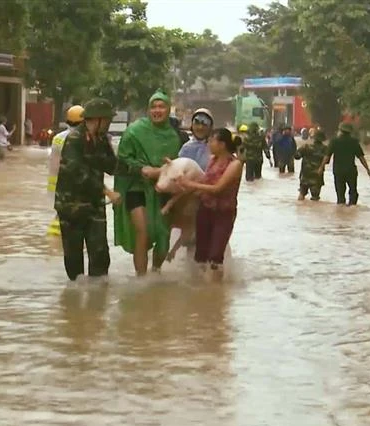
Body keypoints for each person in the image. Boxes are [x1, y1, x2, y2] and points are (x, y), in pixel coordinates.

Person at [114, 89, 182, 275]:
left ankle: (156, 273)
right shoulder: (134, 131)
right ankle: (141, 280)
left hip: (161, 190)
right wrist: (142, 169)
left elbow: (179, 167)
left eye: (161, 106)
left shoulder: (174, 138)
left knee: (163, 237)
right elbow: (122, 159)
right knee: (142, 231)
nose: (157, 111)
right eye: (153, 107)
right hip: (135, 188)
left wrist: (163, 173)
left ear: (168, 110)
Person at [54, 98, 119, 282]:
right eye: (107, 120)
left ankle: (97, 303)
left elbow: (112, 167)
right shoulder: (74, 139)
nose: (109, 123)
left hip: (94, 205)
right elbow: (78, 174)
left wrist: (140, 170)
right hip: (71, 206)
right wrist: (108, 192)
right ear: (97, 119)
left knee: (100, 255)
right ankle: (74, 303)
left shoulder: (101, 139)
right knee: (74, 259)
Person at [177, 128, 243, 282]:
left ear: (222, 144)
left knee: (215, 256)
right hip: (205, 210)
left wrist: (190, 184)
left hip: (223, 213)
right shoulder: (212, 160)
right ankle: (201, 290)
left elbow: (217, 188)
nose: (209, 144)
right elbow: (205, 182)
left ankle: (216, 294)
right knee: (201, 254)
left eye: (212, 140)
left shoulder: (235, 164)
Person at [47, 105, 85, 236]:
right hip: (73, 187)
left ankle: (52, 243)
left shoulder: (58, 138)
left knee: (60, 219)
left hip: (57, 186)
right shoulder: (81, 138)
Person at [319, 122, 370, 205]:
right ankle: (352, 208)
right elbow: (361, 157)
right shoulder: (354, 142)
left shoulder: (334, 141)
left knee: (340, 193)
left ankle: (341, 211)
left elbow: (327, 156)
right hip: (351, 170)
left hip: (338, 171)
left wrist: (321, 167)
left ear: (340, 130)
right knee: (353, 191)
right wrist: (368, 170)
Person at [295, 129, 327, 201]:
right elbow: (327, 161)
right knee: (315, 197)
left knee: (302, 194)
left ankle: (300, 210)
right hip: (317, 175)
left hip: (305, 174)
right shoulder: (325, 149)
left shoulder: (306, 146)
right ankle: (314, 211)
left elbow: (296, 156)